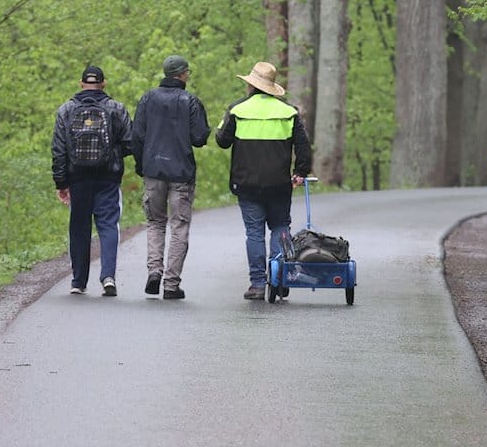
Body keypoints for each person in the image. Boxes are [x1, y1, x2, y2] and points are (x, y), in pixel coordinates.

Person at [215, 62, 312, 300]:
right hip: (279, 185)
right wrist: (300, 172)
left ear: (251, 84)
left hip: (246, 185)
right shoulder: (289, 112)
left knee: (254, 233)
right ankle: (280, 279)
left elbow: (222, 140)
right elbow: (303, 147)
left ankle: (258, 284)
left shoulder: (237, 110)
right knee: (280, 228)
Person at [132, 55, 211, 300]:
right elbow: (199, 138)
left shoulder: (147, 99)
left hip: (153, 170)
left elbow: (137, 135)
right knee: (179, 225)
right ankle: (171, 284)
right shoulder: (191, 101)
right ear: (182, 74)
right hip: (181, 173)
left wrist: (141, 164)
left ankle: (154, 271)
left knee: (155, 222)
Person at [51, 65, 133, 296]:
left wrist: (61, 183)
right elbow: (130, 142)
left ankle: (78, 281)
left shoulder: (66, 110)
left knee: (79, 227)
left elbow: (59, 150)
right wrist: (112, 154)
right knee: (108, 225)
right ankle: (108, 277)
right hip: (108, 177)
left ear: (80, 83)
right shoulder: (116, 109)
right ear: (103, 83)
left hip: (78, 178)